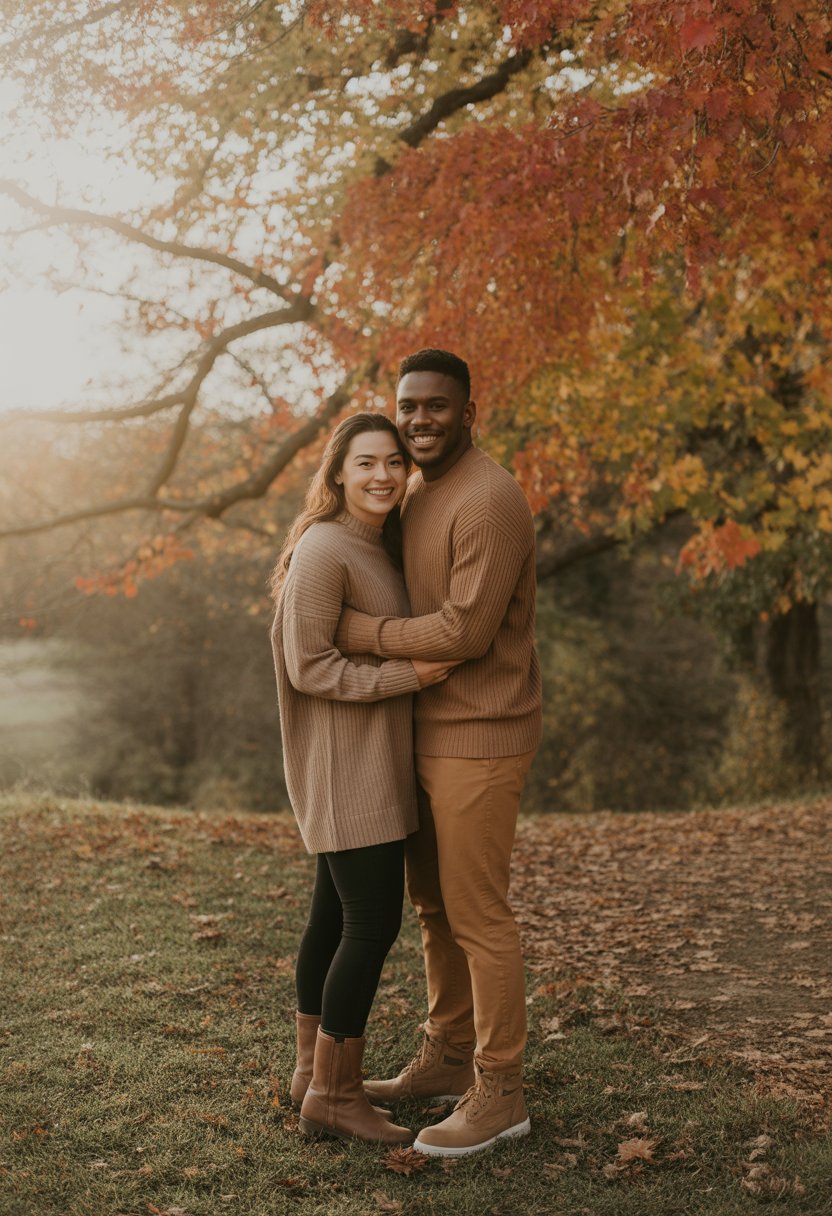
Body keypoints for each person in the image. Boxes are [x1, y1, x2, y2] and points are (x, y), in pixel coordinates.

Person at [334, 349, 543, 1157]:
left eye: (436, 407)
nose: (420, 420)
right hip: (420, 728)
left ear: (468, 412)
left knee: (480, 915)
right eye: (408, 405)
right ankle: (450, 1057)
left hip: (480, 735)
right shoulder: (417, 490)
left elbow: (463, 631)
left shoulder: (489, 500)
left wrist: (355, 634)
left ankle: (502, 1091)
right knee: (434, 909)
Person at [269, 411, 455, 1145]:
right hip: (347, 766)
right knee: (372, 925)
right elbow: (308, 666)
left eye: (394, 463)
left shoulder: (371, 544)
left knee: (331, 917)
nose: (383, 475)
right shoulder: (325, 548)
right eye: (367, 462)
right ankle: (337, 1097)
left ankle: (310, 1072)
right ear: (338, 472)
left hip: (364, 759)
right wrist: (406, 675)